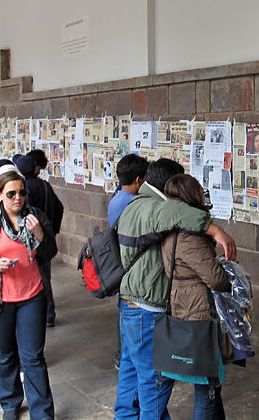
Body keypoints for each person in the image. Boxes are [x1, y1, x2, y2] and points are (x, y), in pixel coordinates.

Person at [114, 158, 237, 420]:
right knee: (154, 387)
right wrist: (216, 230)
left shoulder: (133, 203)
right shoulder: (154, 207)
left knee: (130, 378)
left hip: (130, 304)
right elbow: (182, 214)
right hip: (146, 310)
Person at [0, 170, 57, 420]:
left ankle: (42, 412)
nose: (18, 198)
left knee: (33, 357)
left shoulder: (35, 217)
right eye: (11, 194)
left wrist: (39, 234)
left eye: (22, 193)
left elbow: (50, 253)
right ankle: (10, 402)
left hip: (31, 296)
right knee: (5, 354)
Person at [160, 175, 233, 419]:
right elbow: (216, 279)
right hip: (197, 309)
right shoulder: (190, 237)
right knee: (207, 383)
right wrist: (231, 277)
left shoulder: (170, 227)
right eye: (201, 192)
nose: (205, 196)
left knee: (209, 380)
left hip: (181, 302)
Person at [107, 153, 150, 369]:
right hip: (130, 269)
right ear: (138, 180)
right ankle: (125, 357)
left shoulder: (117, 198)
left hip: (120, 266)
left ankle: (122, 357)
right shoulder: (135, 204)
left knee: (123, 314)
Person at [16, 152, 63, 327]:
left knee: (37, 278)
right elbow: (59, 207)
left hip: (32, 238)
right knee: (45, 276)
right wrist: (53, 230)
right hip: (45, 236)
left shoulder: (23, 189)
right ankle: (48, 312)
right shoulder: (44, 185)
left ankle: (46, 313)